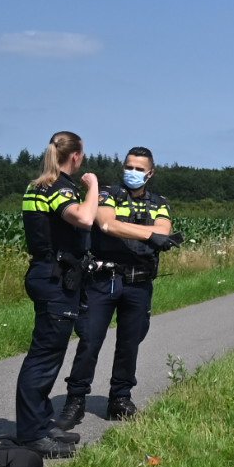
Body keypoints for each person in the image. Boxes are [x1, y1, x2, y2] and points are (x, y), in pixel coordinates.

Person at [56, 146, 180, 430]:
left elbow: (165, 231)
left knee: (130, 343)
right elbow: (107, 225)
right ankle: (75, 400)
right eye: (129, 166)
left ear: (150, 173)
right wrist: (150, 234)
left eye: (139, 168)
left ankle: (120, 398)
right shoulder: (106, 194)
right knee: (89, 341)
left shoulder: (159, 202)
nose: (132, 172)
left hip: (139, 283)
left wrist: (149, 233)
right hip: (104, 280)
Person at [14, 131, 99, 458]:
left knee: (48, 354)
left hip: (46, 274)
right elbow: (84, 218)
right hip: (54, 278)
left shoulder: (36, 186)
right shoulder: (60, 187)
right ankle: (31, 434)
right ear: (75, 156)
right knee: (44, 357)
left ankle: (40, 422)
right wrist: (91, 186)